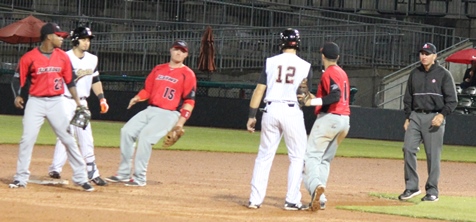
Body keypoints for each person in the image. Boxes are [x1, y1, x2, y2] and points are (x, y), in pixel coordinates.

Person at [9, 23, 94, 191]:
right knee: (27, 140)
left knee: (68, 139)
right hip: (36, 102)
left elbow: (70, 82)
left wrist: (78, 103)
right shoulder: (29, 57)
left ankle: (81, 177)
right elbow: (17, 79)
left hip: (57, 102)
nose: (62, 38)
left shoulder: (63, 57)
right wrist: (17, 95)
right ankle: (20, 178)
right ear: (49, 37)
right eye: (58, 36)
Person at [105, 40, 197, 186]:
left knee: (145, 138)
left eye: (182, 51)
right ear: (170, 50)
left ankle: (139, 177)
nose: (178, 52)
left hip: (169, 113)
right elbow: (147, 90)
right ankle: (123, 173)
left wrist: (179, 124)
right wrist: (138, 97)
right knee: (127, 131)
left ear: (186, 55)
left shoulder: (188, 74)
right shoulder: (158, 69)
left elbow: (189, 101)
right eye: (176, 49)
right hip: (150, 109)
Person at [246, 28, 311, 211]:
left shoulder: (270, 62)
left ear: (281, 43)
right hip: (292, 111)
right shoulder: (305, 66)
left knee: (264, 156)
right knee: (297, 157)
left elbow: (259, 90)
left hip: (271, 109)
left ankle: (254, 200)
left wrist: (252, 115)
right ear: (298, 43)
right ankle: (292, 200)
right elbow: (304, 97)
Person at [47, 26, 109, 186]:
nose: (86, 42)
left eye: (88, 39)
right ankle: (56, 168)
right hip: (65, 100)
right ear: (75, 40)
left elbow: (95, 80)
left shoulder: (92, 59)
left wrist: (102, 98)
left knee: (85, 136)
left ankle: (92, 171)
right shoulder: (64, 57)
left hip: (82, 102)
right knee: (66, 134)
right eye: (83, 39)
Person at [398, 43, 457, 202]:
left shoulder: (443, 74)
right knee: (408, 148)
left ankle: (432, 191)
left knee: (433, 156)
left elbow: (452, 101)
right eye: (422, 53)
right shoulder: (414, 73)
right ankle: (412, 187)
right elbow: (408, 98)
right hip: (416, 116)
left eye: (427, 53)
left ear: (435, 56)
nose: (423, 56)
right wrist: (407, 116)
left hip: (434, 117)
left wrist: (442, 115)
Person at [301, 41, 351, 212]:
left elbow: (335, 96)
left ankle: (316, 188)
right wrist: (314, 97)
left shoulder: (328, 72)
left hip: (330, 119)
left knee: (310, 157)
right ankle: (320, 199)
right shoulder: (342, 72)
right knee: (325, 160)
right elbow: (334, 95)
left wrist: (312, 101)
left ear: (323, 56)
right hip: (344, 121)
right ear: (337, 56)